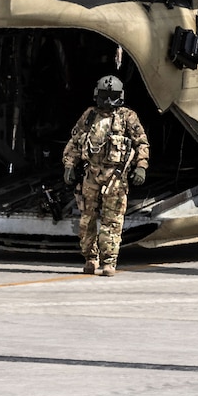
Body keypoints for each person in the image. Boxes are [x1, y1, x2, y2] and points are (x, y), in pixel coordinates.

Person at [62, 75, 149, 277]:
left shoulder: (127, 117)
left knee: (113, 220)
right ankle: (90, 259)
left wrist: (141, 166)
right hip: (91, 175)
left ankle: (109, 262)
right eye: (105, 95)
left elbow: (141, 143)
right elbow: (75, 141)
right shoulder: (90, 116)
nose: (108, 101)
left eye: (112, 96)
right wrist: (69, 165)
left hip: (116, 177)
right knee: (87, 219)